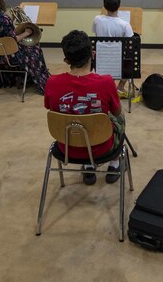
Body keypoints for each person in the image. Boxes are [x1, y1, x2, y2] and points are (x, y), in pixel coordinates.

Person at [43, 30, 125, 185]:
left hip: (66, 147)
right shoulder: (106, 82)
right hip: (102, 148)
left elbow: (50, 107)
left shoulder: (52, 82)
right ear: (92, 54)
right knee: (119, 117)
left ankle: (88, 166)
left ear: (66, 60)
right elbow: (117, 111)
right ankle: (114, 165)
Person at [0, 0, 50, 94]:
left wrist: (12, 18)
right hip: (8, 55)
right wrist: (27, 32)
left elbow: (1, 34)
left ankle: (17, 78)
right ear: (0, 0)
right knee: (35, 47)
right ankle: (41, 79)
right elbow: (13, 39)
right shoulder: (4, 18)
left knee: (23, 46)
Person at [92, 0, 134, 96]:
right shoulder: (125, 25)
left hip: (100, 62)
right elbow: (130, 45)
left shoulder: (97, 20)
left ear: (104, 6)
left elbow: (96, 35)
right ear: (118, 6)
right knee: (130, 59)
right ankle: (120, 87)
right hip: (117, 65)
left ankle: (105, 86)